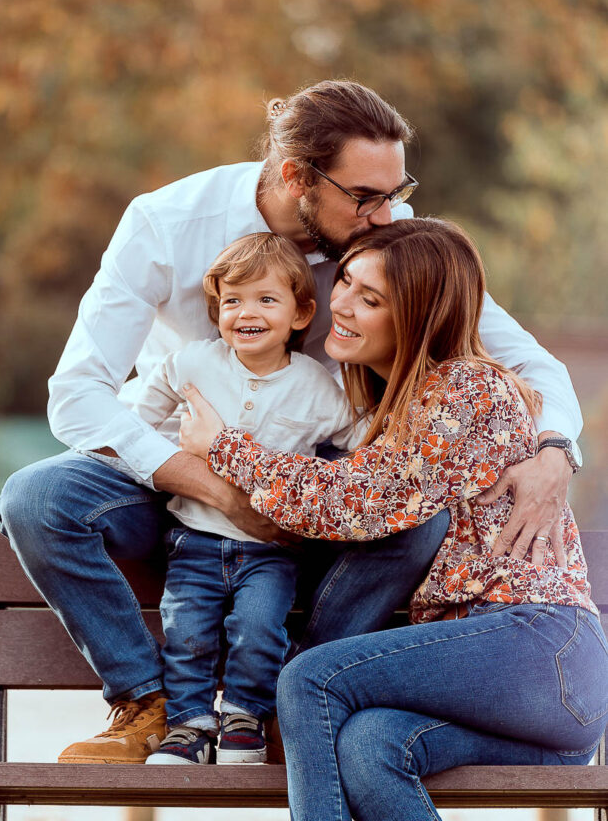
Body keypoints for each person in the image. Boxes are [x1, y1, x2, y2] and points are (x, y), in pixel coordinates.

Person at [0, 80, 583, 765]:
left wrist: (554, 452)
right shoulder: (166, 224)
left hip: (325, 491)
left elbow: (532, 366)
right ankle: (144, 702)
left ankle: (285, 701)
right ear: (294, 176)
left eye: (396, 190)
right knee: (36, 498)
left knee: (417, 513)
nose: (386, 212)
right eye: (364, 195)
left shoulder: (385, 239)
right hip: (181, 477)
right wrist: (212, 486)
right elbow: (77, 395)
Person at [179, 217, 606, 821]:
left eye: (370, 298)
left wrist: (223, 446)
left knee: (309, 680)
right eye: (346, 281)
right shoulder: (395, 407)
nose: (342, 304)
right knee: (370, 743)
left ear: (418, 318)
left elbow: (357, 502)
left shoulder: (468, 389)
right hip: (525, 690)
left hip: (540, 649)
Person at [137, 233, 359, 765]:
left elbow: (362, 443)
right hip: (194, 536)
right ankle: (188, 726)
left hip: (271, 550)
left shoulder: (317, 387)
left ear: (302, 312)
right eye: (232, 301)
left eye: (265, 299)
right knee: (186, 631)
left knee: (259, 630)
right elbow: (137, 422)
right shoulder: (192, 363)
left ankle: (244, 718)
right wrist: (166, 444)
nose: (245, 313)